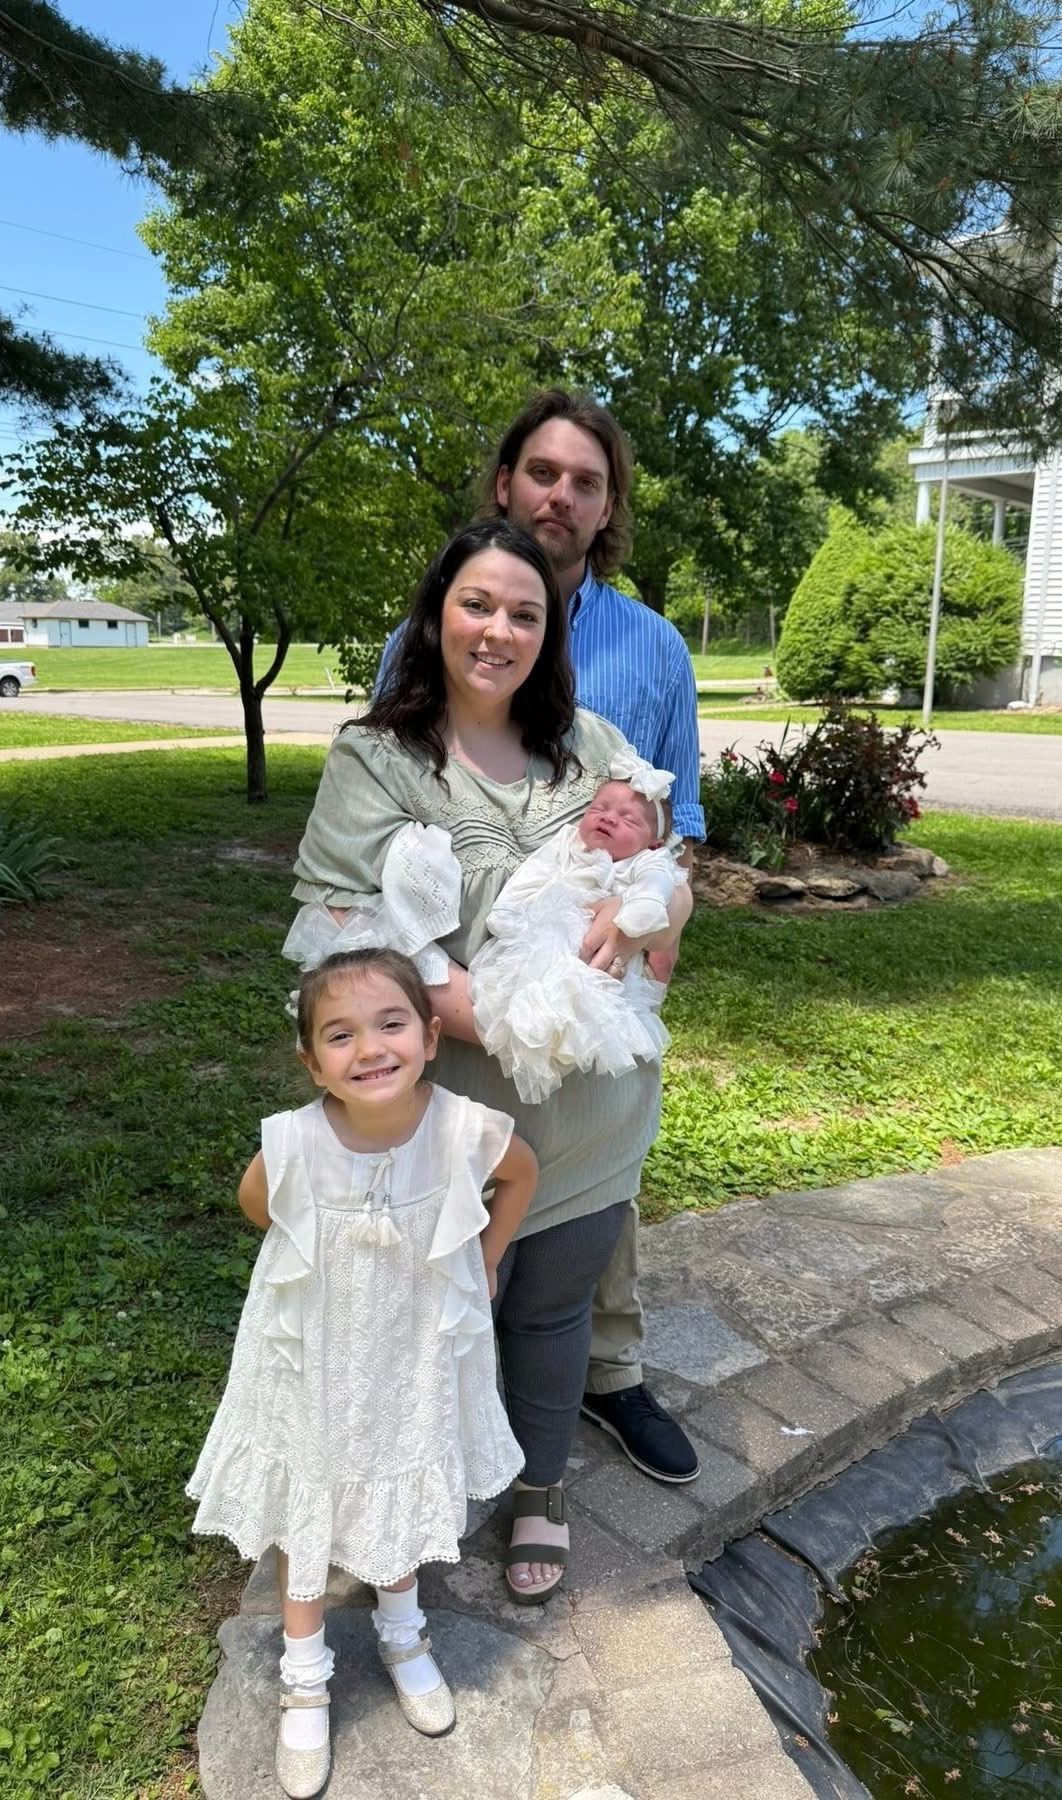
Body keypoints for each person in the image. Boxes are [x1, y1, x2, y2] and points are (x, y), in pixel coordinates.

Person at [296, 519, 694, 1603]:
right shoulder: (377, 759)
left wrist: (660, 911)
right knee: (437, 1318)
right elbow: (343, 938)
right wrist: (512, 1019)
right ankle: (420, 1491)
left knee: (553, 1316)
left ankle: (540, 1489)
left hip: (595, 1119)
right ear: (437, 615)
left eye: (526, 612)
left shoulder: (596, 747)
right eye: (478, 604)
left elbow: (668, 869)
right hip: (451, 1126)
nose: (499, 630)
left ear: (550, 632)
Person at [379, 388, 703, 1485]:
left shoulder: (654, 650)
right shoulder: (432, 631)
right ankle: (449, 1422)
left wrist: (658, 916)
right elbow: (393, 807)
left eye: (587, 482)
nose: (562, 496)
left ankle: (609, 1373)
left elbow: (682, 830)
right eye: (543, 473)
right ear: (506, 484)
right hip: (467, 994)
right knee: (466, 1218)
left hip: (602, 975)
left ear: (609, 508)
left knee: (596, 1194)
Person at [186, 947, 538, 1798]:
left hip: (412, 1347)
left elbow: (521, 1175)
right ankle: (304, 1674)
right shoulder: (295, 1139)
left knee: (399, 1470)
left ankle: (403, 1631)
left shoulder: (463, 1128)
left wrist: (487, 1258)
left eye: (390, 1024)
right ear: (312, 1063)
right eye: (340, 1035)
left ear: (429, 1037)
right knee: (308, 1487)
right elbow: (258, 1205)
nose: (370, 1048)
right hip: (314, 1348)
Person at [468, 751, 687, 1102]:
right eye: (599, 809)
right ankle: (538, 1029)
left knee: (597, 1009)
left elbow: (657, 885)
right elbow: (533, 874)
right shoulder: (568, 842)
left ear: (654, 843)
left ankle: (574, 1047)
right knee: (529, 990)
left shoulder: (647, 861)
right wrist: (510, 913)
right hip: (545, 935)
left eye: (629, 820)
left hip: (607, 959)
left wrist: (640, 908)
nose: (609, 818)